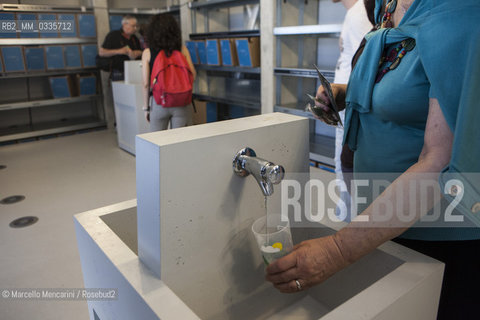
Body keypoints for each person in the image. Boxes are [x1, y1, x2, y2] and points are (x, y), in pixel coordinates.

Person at [266, 0, 480, 319]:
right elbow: (405, 82)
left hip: (436, 237)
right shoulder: (387, 4)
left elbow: (439, 163)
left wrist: (338, 249)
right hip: (382, 223)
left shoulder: (462, 15)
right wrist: (344, 94)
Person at [331, 0, 372, 220]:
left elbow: (364, 65)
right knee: (341, 160)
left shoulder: (359, 13)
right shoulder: (354, 13)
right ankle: (346, 206)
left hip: (351, 105)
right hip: (344, 103)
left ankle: (350, 213)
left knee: (346, 161)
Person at [141, 14, 196, 131]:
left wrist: (146, 108)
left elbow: (146, 83)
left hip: (159, 103)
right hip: (182, 103)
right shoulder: (182, 50)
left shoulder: (147, 52)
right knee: (181, 143)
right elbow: (193, 74)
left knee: (157, 142)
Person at [99, 15, 143, 81]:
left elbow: (142, 52)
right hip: (118, 72)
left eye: (136, 26)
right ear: (124, 25)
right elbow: (102, 53)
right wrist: (119, 51)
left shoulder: (135, 38)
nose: (135, 28)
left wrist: (139, 53)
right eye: (133, 26)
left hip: (133, 70)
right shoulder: (113, 35)